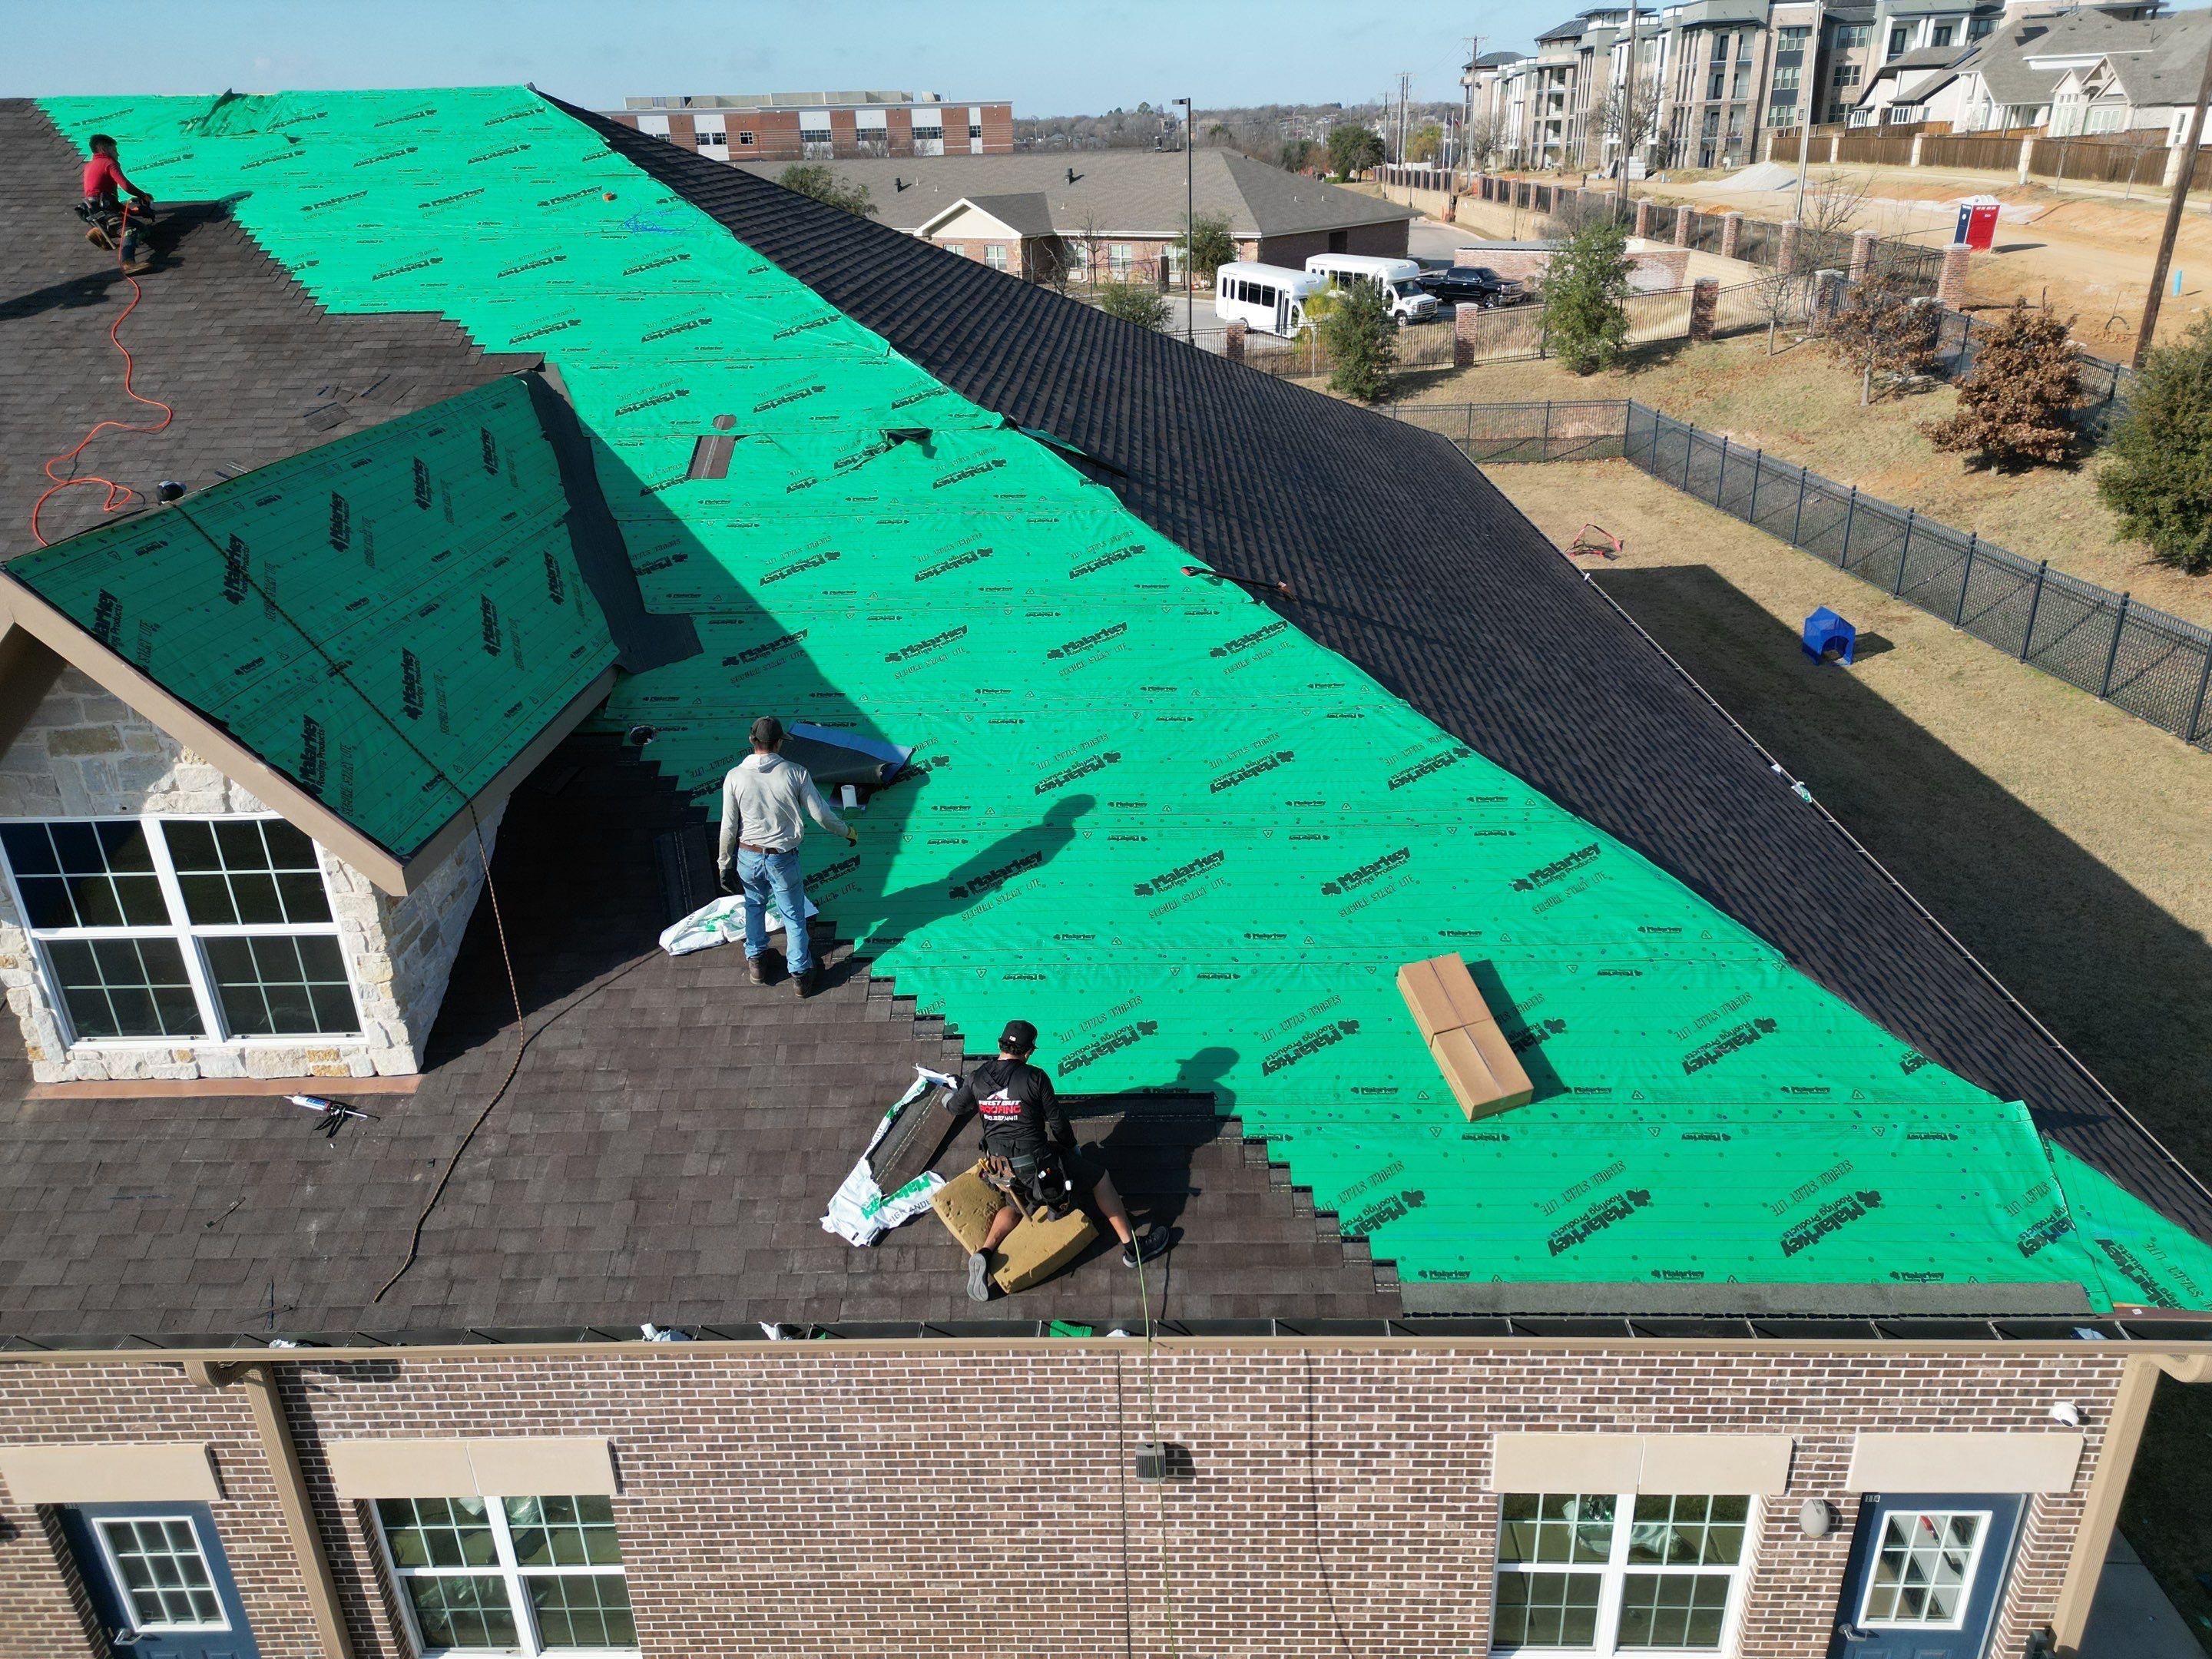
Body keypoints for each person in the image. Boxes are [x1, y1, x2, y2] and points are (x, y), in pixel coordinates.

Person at [944, 1019, 1170, 1302]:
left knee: (1015, 1203)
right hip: (1038, 1166)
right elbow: (1058, 1123)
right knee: (1100, 1178)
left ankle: (985, 1252)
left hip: (1001, 1171)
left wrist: (953, 1094)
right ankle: (1133, 1250)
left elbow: (955, 1107)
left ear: (1001, 1044)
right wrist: (1072, 1148)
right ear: (1028, 1052)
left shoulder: (978, 1078)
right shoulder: (1035, 1078)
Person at [716, 715, 856, 998]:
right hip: (782, 859)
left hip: (747, 856)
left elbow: (729, 826)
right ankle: (801, 975)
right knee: (793, 916)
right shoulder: (796, 773)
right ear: (779, 743)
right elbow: (821, 816)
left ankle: (756, 962)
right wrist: (848, 832)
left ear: (752, 740)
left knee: (754, 906)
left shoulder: (734, 776)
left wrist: (724, 864)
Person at [79, 134, 154, 274]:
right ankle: (128, 263)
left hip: (93, 212)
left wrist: (132, 212)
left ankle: (101, 233)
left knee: (142, 228)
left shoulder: (89, 166)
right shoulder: (108, 163)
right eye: (114, 150)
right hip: (105, 212)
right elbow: (126, 186)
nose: (118, 154)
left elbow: (106, 199)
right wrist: (143, 196)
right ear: (104, 149)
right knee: (130, 231)